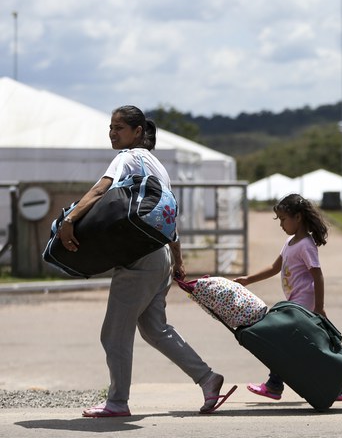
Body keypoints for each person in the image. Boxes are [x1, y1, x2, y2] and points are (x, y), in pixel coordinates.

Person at [57, 105, 236, 418]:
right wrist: (177, 260)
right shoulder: (157, 166)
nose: (112, 134)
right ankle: (208, 379)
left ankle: (117, 402)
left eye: (119, 128)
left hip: (139, 258)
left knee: (113, 333)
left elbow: (100, 190)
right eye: (110, 128)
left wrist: (69, 220)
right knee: (155, 329)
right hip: (159, 256)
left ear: (137, 132)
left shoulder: (127, 157)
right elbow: (166, 217)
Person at [234, 193, 342, 401]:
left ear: (298, 217)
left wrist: (320, 307)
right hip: (294, 304)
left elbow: (318, 275)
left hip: (303, 306)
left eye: (283, 219)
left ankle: (275, 385)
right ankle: (340, 386)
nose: (281, 224)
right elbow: (274, 267)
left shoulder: (306, 245)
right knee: (302, 348)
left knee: (283, 342)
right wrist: (248, 279)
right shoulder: (290, 242)